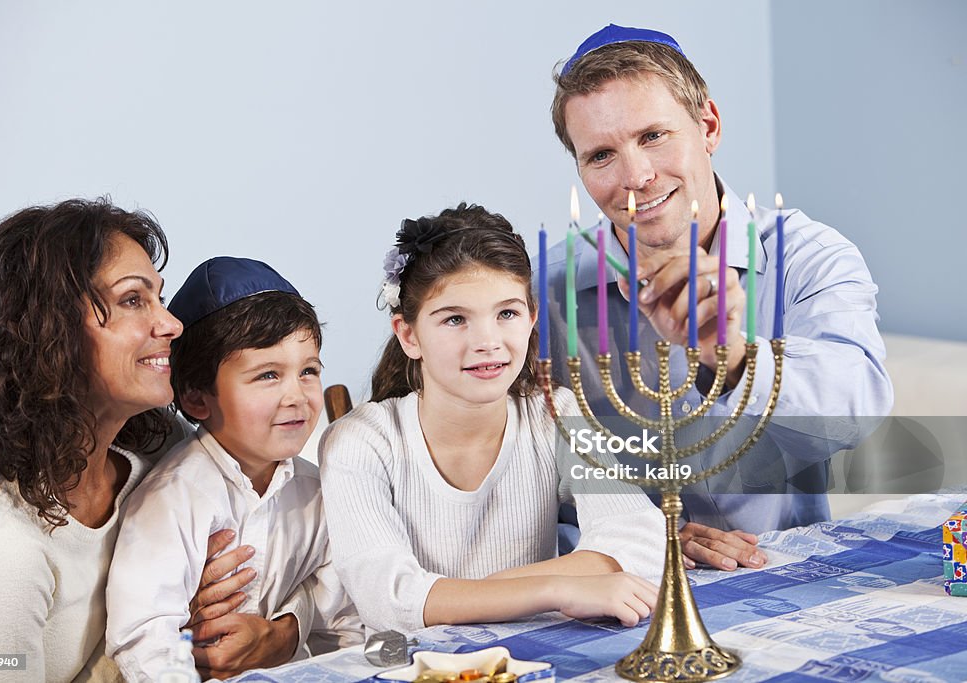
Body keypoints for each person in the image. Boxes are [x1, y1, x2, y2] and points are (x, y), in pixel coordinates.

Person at [542, 26, 894, 568]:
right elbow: (519, 485)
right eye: (601, 155)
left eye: (654, 136)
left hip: (785, 576)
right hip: (624, 587)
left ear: (708, 125)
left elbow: (854, 412)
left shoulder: (805, 256)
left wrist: (735, 362)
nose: (635, 176)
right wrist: (633, 538)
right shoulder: (543, 292)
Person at [318, 203, 667, 634]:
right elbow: (388, 602)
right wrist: (554, 589)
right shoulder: (360, 442)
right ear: (409, 335)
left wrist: (465, 594)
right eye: (455, 319)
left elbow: (641, 537)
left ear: (531, 318)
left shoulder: (554, 414)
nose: (487, 342)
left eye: (506, 313)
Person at [0, 199, 183, 681]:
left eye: (159, 297)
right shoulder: (1, 545)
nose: (172, 324)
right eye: (134, 300)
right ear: (50, 329)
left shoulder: (161, 449)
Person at [106, 257, 362, 681]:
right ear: (196, 399)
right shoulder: (174, 497)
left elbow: (343, 620)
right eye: (267, 375)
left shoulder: (317, 492)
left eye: (309, 371)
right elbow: (145, 636)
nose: (296, 396)